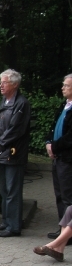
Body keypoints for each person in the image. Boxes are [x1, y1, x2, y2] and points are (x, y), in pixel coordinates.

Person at [0, 69, 31, 237]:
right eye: (0, 82)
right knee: (4, 190)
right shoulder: (4, 101)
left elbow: (16, 129)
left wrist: (0, 143)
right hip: (2, 151)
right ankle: (6, 221)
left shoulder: (21, 103)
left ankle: (14, 227)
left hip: (14, 153)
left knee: (13, 190)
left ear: (15, 84)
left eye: (4, 82)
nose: (1, 85)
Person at [45, 75, 72, 244]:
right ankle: (62, 228)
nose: (62, 88)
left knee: (68, 196)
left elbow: (70, 137)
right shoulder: (65, 105)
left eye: (66, 86)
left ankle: (68, 233)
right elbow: (54, 126)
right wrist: (49, 142)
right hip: (58, 157)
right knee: (59, 194)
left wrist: (54, 146)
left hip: (68, 158)